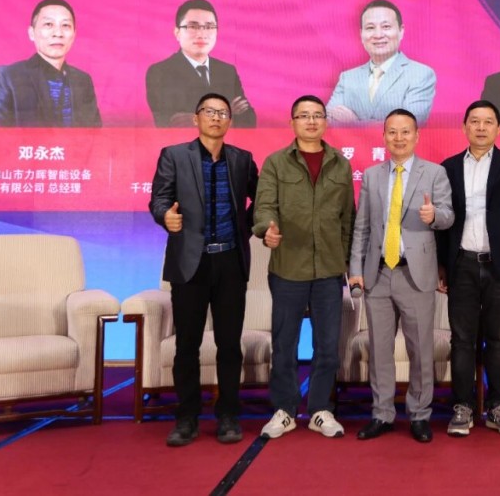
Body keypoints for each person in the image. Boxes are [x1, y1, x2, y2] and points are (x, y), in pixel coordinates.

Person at [149, 92, 259, 447]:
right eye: (209, 112)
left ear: (230, 120)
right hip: (189, 263)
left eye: (222, 113)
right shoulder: (174, 155)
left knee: (229, 344)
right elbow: (159, 198)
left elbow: (262, 199)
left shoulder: (242, 159)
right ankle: (187, 417)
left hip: (230, 261)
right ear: (196, 119)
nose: (216, 117)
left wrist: (247, 226)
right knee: (187, 345)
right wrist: (165, 216)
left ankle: (228, 415)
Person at [348, 109, 454, 443]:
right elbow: (362, 227)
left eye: (405, 131)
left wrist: (434, 215)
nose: (399, 138)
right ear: (383, 136)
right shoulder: (372, 175)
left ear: (417, 135)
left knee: (420, 349)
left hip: (415, 273)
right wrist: (355, 270)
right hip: (377, 273)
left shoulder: (434, 173)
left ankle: (420, 415)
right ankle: (382, 413)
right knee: (380, 350)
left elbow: (449, 216)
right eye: (392, 132)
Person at [254, 95, 355, 440]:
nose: (311, 121)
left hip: (329, 269)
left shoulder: (340, 164)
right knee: (285, 343)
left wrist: (346, 261)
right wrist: (266, 229)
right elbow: (264, 205)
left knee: (327, 345)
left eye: (317, 115)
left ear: (325, 121)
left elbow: (347, 218)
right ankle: (284, 410)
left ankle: (320, 410)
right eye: (303, 116)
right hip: (288, 267)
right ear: (292, 122)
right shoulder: (276, 163)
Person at [437, 100, 500, 437]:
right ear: (464, 127)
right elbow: (442, 220)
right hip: (461, 263)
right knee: (462, 340)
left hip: (499, 265)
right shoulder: (448, 167)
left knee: (499, 339)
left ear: (498, 128)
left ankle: (497, 406)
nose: (480, 127)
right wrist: (441, 265)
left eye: (488, 121)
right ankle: (462, 407)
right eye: (474, 121)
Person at [0, 0, 101, 127]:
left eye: (65, 26)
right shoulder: (5, 78)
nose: (58, 33)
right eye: (48, 24)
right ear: (32, 33)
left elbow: (95, 134)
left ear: (74, 34)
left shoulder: (82, 80)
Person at [146, 0, 256, 128]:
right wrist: (226, 113)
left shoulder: (227, 71)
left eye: (209, 27)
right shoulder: (160, 72)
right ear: (177, 33)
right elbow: (172, 122)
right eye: (193, 26)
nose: (201, 34)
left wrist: (198, 117)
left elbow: (248, 119)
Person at [327, 0, 436, 125]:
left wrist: (353, 123)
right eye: (370, 28)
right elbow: (327, 121)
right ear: (361, 34)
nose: (378, 35)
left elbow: (407, 124)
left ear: (401, 31)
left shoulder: (420, 74)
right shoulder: (347, 77)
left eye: (386, 27)